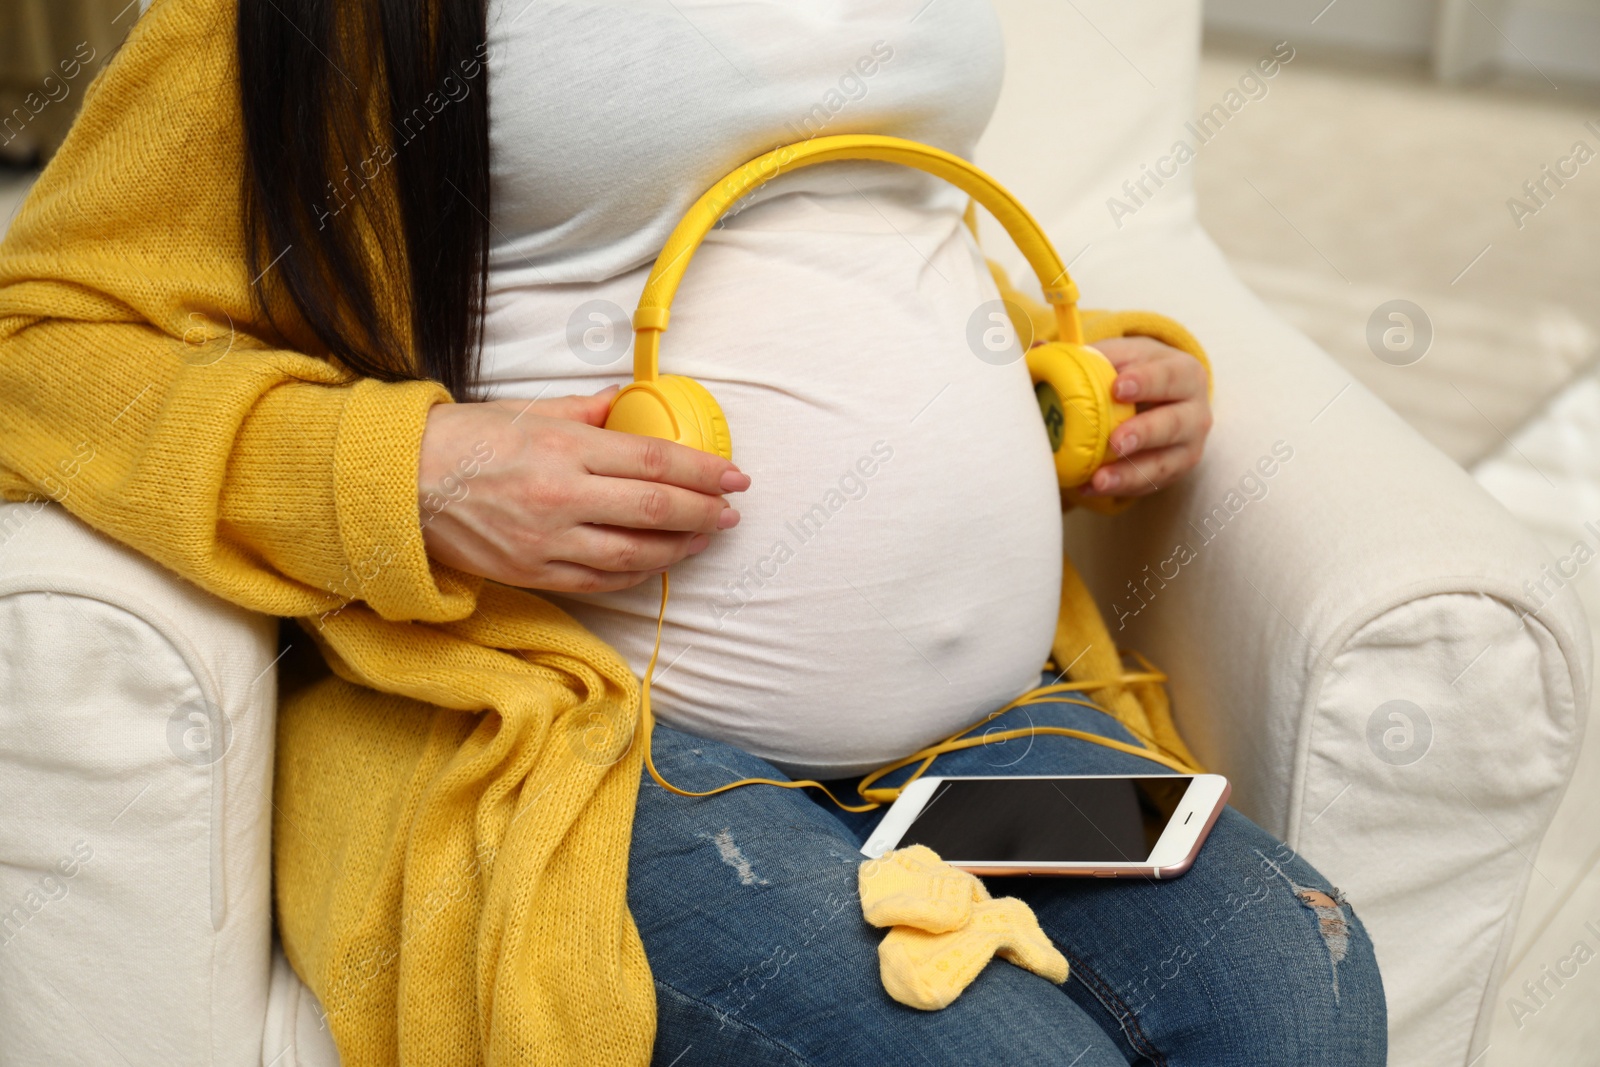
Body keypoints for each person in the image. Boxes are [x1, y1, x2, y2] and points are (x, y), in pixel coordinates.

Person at [2, 0, 1386, 1062]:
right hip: (592, 737)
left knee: (1302, 985)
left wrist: (1059, 376)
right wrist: (406, 471)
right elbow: (41, 340)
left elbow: (855, 220)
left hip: (978, 737)